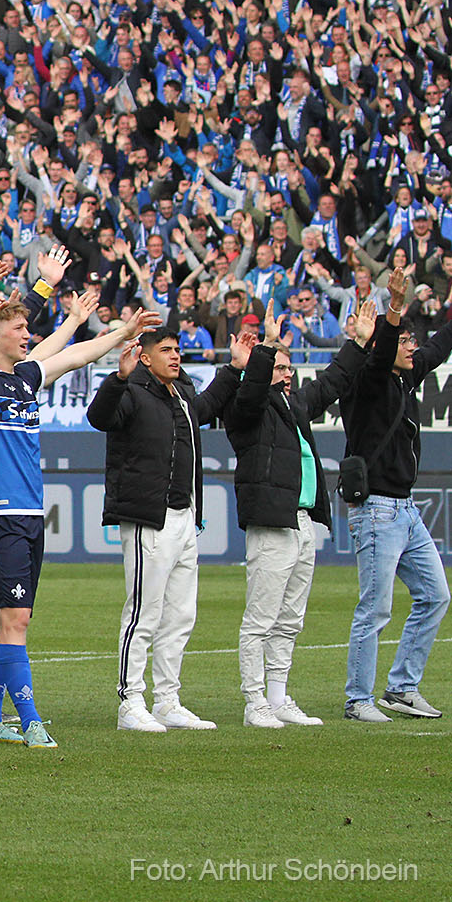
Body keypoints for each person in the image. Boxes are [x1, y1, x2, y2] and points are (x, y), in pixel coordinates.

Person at [0, 292, 156, 749]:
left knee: (0, 622)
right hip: (0, 514)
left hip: (29, 513)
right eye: (19, 330)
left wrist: (121, 332)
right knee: (18, 619)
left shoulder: (26, 378)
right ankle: (30, 721)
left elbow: (72, 355)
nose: (28, 336)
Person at [87, 324, 249, 734]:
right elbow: (99, 417)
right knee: (144, 612)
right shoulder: (132, 391)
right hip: (149, 519)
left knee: (180, 615)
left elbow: (208, 407)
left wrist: (232, 369)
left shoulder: (181, 393)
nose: (176, 356)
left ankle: (168, 700)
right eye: (167, 350)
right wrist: (118, 378)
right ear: (144, 357)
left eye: (178, 349)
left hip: (184, 518)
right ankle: (130, 702)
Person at [225, 306, 372, 729]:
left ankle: (277, 696)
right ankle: (254, 702)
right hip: (271, 521)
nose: (286, 373)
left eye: (289, 367)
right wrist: (267, 346)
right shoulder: (246, 409)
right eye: (278, 366)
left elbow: (332, 382)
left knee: (290, 619)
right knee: (261, 618)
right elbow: (252, 390)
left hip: (302, 521)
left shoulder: (294, 406)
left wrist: (359, 343)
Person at [340, 266, 452, 723]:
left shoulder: (407, 378)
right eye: (406, 342)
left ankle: (402, 688)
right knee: (376, 607)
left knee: (435, 595)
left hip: (405, 511)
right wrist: (394, 309)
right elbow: (384, 350)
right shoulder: (366, 383)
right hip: (377, 510)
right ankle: (358, 699)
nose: (412, 348)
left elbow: (439, 346)